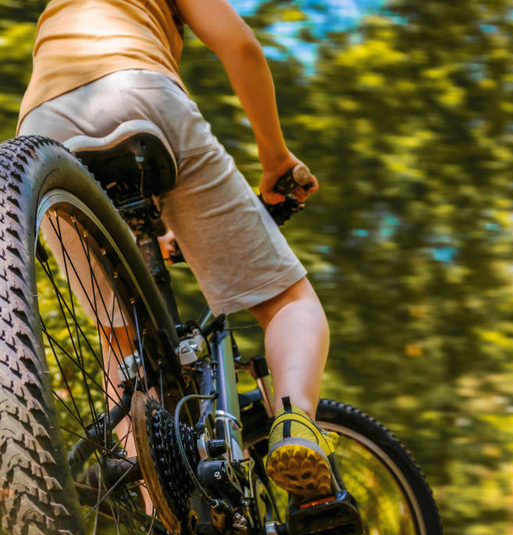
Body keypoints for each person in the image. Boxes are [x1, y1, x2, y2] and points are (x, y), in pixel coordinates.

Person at [17, 0, 337, 499]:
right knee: (286, 302)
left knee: (121, 339)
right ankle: (295, 426)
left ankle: (155, 525)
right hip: (140, 93)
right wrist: (275, 157)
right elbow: (241, 46)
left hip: (43, 126)